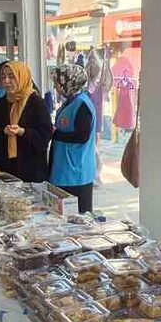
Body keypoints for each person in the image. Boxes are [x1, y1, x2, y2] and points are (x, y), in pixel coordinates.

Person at [0, 61, 53, 181]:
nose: (6, 81)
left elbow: (44, 137)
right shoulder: (1, 103)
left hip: (30, 169)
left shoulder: (36, 103)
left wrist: (22, 132)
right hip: (6, 168)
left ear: (22, 77)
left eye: (11, 76)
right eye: (3, 77)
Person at [48, 63, 97, 212]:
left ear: (69, 82)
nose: (56, 87)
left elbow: (82, 136)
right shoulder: (70, 101)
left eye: (58, 83)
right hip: (64, 169)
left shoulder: (82, 104)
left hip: (76, 173)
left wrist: (54, 133)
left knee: (78, 217)